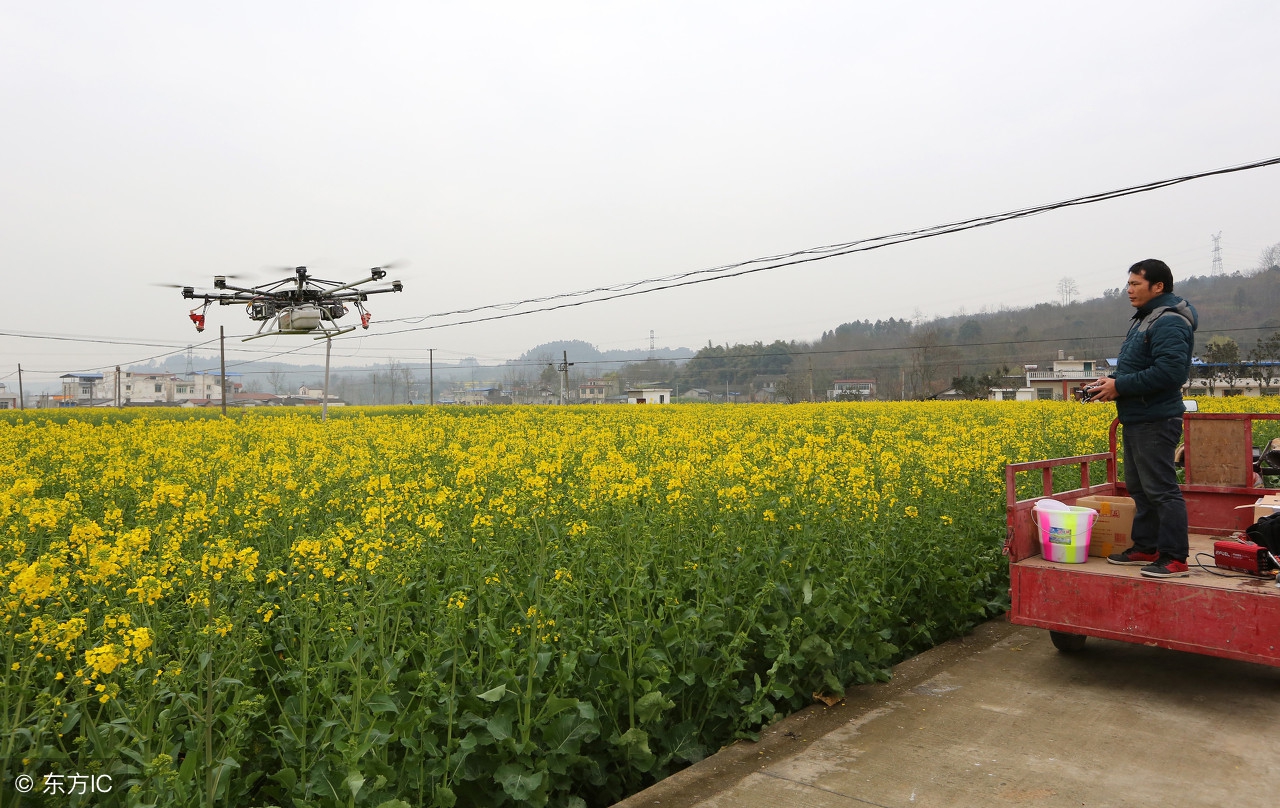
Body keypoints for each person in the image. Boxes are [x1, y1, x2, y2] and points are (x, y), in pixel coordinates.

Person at [1083, 259, 1198, 578]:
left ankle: (1174, 557)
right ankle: (1147, 546)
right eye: (1129, 283)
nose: (1129, 290)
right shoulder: (1146, 318)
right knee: (1140, 487)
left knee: (1161, 489)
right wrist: (1110, 382)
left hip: (1156, 418)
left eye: (1136, 284)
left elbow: (1170, 373)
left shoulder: (1170, 321)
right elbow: (1140, 367)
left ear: (1158, 286)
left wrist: (1120, 386)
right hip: (1137, 416)